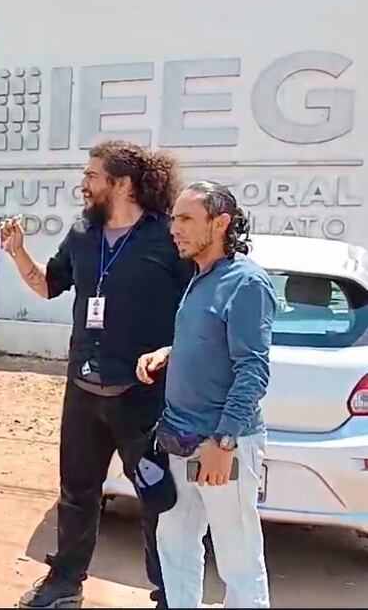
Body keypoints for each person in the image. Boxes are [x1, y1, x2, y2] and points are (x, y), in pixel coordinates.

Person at [0, 140, 191, 609]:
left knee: (155, 495)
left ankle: (170, 591)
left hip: (143, 394)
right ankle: (65, 581)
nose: (83, 184)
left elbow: (196, 309)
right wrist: (18, 254)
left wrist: (172, 352)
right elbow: (48, 286)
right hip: (83, 390)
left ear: (122, 184)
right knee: (76, 492)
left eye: (92, 176)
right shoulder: (83, 233)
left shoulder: (166, 238)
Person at [136, 181, 275, 608]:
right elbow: (212, 343)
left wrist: (224, 443)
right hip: (179, 443)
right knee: (175, 550)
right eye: (174, 218)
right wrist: (168, 354)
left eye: (185, 219)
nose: (173, 228)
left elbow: (253, 369)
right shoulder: (201, 278)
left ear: (220, 224)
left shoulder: (247, 283)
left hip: (218, 451)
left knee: (238, 562)